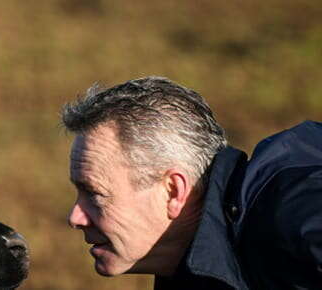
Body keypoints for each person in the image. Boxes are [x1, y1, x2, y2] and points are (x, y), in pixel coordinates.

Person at [62, 76, 322, 289]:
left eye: (95, 195)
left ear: (173, 191)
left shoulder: (298, 214)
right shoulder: (192, 269)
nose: (75, 217)